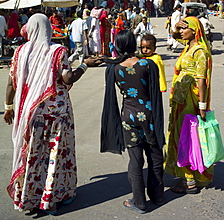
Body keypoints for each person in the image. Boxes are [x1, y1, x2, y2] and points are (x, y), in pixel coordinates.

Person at [3, 13, 102, 215]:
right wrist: (85, 65)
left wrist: (8, 107)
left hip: (31, 114)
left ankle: (29, 197)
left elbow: (11, 82)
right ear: (48, 28)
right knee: (55, 155)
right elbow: (67, 78)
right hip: (57, 114)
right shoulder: (57, 51)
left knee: (34, 155)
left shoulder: (20, 52)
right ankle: (52, 197)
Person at [101, 30, 165, 214]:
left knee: (135, 161)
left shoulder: (114, 69)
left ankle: (139, 201)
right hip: (148, 115)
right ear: (134, 44)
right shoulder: (148, 64)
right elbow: (155, 95)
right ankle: (158, 195)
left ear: (118, 46)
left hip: (128, 117)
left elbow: (111, 99)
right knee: (154, 156)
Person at [164, 16, 213, 193]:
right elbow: (174, 36)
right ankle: (186, 175)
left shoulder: (200, 51)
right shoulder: (188, 47)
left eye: (185, 28)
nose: (181, 32)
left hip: (190, 101)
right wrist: (176, 26)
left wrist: (202, 105)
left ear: (194, 31)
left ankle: (190, 180)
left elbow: (201, 80)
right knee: (178, 136)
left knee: (187, 139)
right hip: (180, 99)